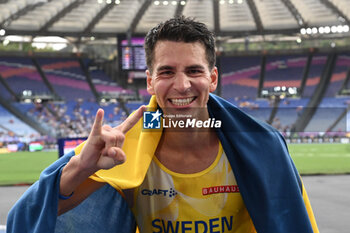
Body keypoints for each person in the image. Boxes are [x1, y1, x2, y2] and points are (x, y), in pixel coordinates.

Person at [7, 16, 319, 233]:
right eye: (167, 72)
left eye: (194, 71)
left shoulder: (261, 146)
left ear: (212, 79)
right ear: (150, 82)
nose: (182, 85)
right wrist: (80, 168)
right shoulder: (121, 148)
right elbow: (34, 216)